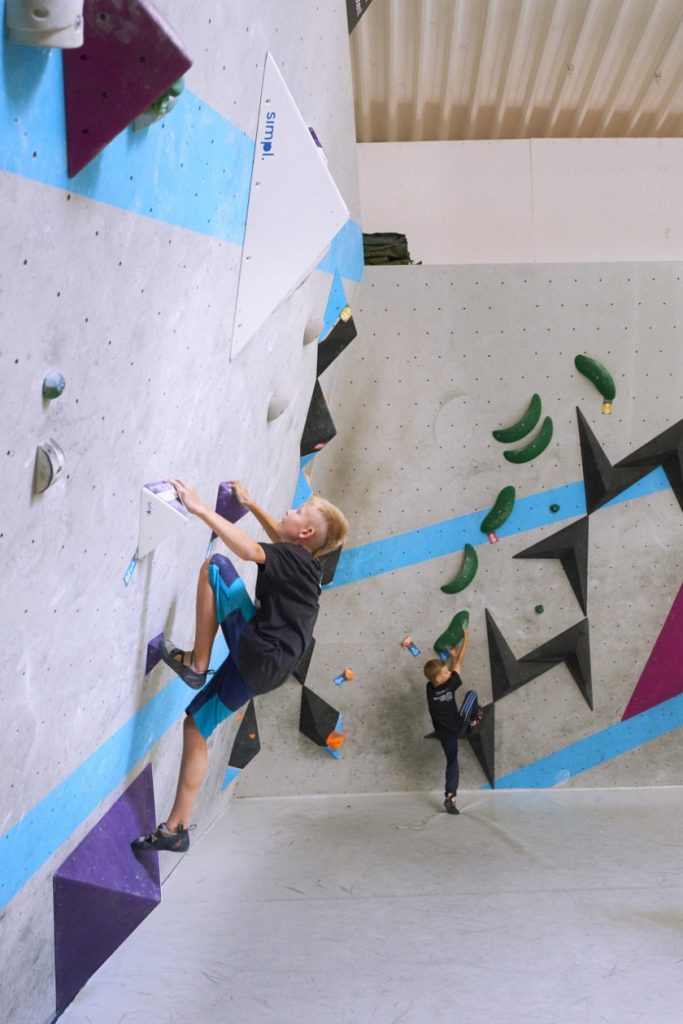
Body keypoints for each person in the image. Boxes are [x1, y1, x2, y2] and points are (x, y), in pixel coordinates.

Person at [133, 478, 348, 853]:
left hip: (259, 652)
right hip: (269, 668)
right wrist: (249, 503)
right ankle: (175, 828)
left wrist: (200, 508)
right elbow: (282, 540)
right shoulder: (309, 564)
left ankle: (197, 665)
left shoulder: (295, 557)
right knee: (197, 726)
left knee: (216, 567)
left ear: (308, 531)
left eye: (297, 512)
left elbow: (250, 551)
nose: (289, 511)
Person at [424, 628, 483, 815]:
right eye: (445, 672)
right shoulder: (449, 686)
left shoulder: (430, 688)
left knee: (452, 762)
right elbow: (459, 666)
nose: (449, 672)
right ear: (440, 678)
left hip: (443, 734)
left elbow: (450, 670)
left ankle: (451, 796)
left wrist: (451, 658)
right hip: (459, 727)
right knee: (471, 695)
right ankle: (475, 719)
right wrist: (466, 639)